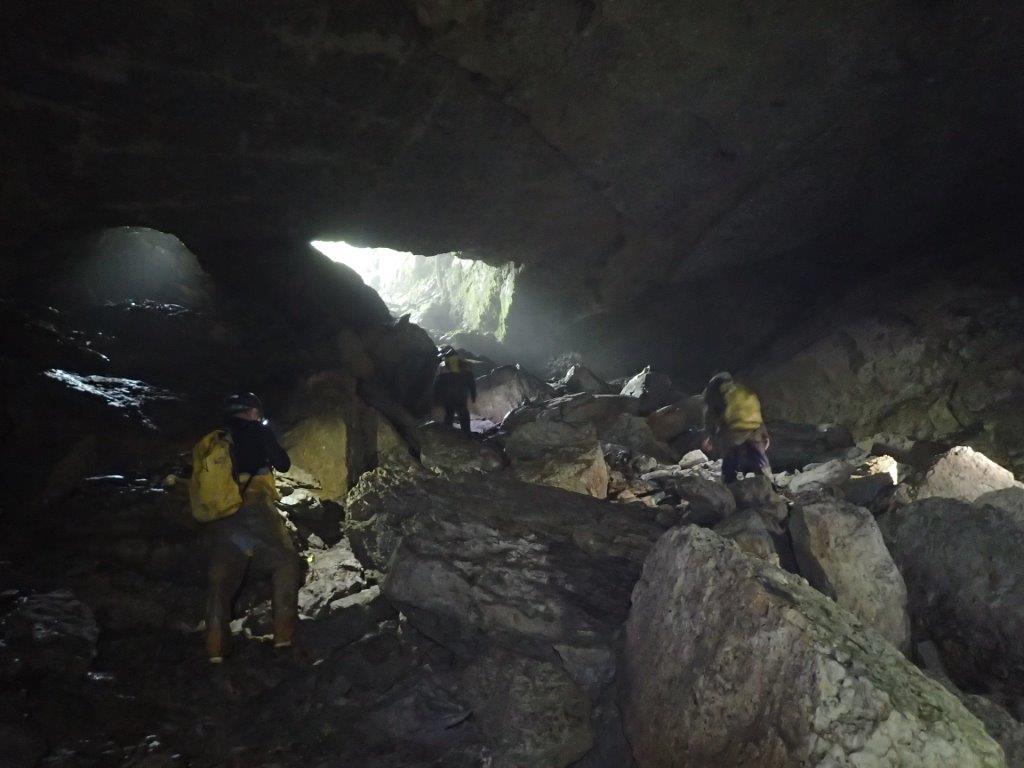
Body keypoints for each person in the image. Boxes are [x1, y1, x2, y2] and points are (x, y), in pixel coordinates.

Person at [203, 392, 300, 663]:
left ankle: (215, 649)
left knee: (221, 580)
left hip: (224, 512)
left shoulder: (216, 439)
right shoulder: (258, 431)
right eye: (257, 411)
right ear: (250, 411)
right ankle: (284, 636)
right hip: (255, 505)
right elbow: (283, 464)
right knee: (286, 563)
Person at [700, 372, 773, 485]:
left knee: (730, 458)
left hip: (733, 432)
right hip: (755, 429)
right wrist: (764, 432)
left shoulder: (715, 394)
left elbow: (711, 417)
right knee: (759, 458)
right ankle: (769, 482)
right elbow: (756, 411)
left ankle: (730, 484)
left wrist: (710, 436)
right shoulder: (742, 390)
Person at [432, 347, 477, 434]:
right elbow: (471, 382)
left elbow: (437, 385)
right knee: (463, 414)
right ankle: (466, 433)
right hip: (460, 396)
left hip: (449, 397)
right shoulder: (465, 369)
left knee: (449, 414)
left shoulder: (444, 368)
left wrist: (436, 399)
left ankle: (448, 434)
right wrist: (473, 395)